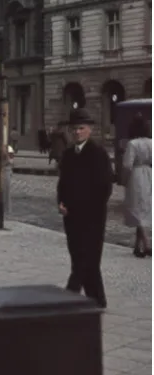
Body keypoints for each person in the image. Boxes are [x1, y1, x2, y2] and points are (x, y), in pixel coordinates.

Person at [57, 108, 113, 308]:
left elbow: (105, 187)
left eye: (81, 128)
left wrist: (90, 209)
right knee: (81, 257)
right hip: (71, 216)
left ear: (89, 130)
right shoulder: (68, 154)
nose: (77, 132)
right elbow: (62, 183)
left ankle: (68, 296)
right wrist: (61, 202)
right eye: (74, 129)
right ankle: (97, 299)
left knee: (85, 257)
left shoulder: (98, 153)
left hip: (92, 217)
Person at [122, 116, 151, 258]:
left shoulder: (132, 144)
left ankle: (147, 244)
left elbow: (127, 164)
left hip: (136, 175)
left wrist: (124, 179)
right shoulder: (152, 143)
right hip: (149, 175)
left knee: (137, 210)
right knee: (145, 208)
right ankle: (136, 246)